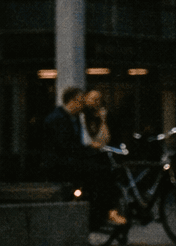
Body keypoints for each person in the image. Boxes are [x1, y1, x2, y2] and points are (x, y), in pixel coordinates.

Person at [42, 86, 125, 231]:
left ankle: (100, 213)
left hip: (68, 160)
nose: (83, 105)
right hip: (59, 164)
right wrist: (90, 151)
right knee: (101, 172)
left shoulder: (71, 118)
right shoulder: (58, 119)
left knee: (101, 169)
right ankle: (103, 214)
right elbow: (67, 147)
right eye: (81, 101)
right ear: (73, 101)